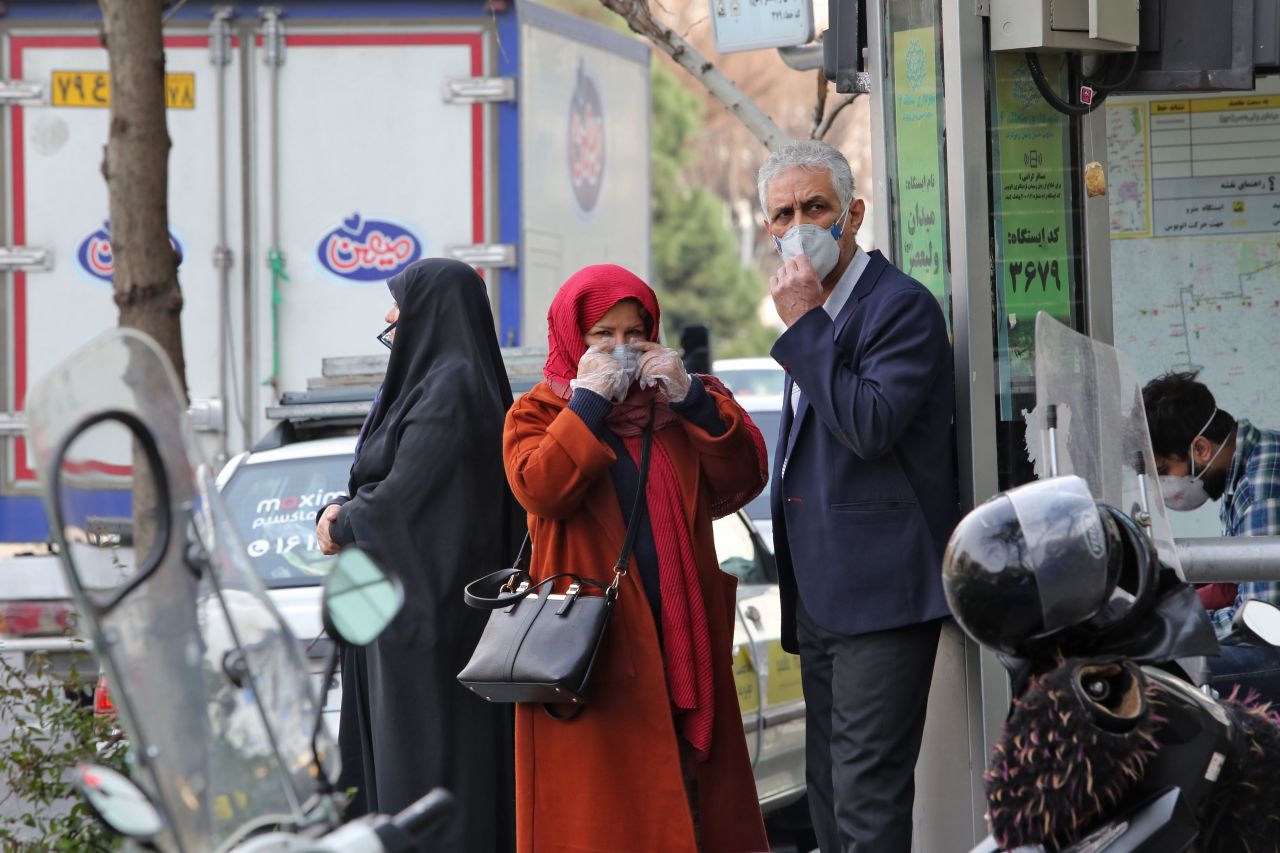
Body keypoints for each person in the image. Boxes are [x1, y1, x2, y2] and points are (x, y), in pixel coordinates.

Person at [502, 264, 770, 852]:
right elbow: (541, 489)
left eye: (635, 334)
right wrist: (589, 405)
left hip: (683, 638)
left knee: (695, 801)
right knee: (605, 819)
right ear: (574, 340)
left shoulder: (679, 404)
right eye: (603, 335)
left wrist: (692, 398)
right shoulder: (539, 413)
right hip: (594, 655)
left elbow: (744, 473)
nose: (622, 350)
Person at [758, 139, 959, 852]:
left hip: (882, 592)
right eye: (784, 213)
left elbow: (870, 425)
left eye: (817, 206)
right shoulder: (807, 309)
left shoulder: (897, 305)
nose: (801, 223)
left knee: (867, 797)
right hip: (819, 595)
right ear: (769, 229)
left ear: (854, 213)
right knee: (828, 796)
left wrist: (807, 323)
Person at [315, 258, 522, 851]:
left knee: (427, 791)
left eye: (400, 318)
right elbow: (379, 481)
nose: (392, 329)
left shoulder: (451, 390)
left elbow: (406, 500)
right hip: (406, 624)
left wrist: (344, 519)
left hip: (432, 638)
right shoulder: (430, 385)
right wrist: (341, 507)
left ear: (432, 318)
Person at [1143, 370, 1280, 699]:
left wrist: (1166, 630)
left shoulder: (1261, 489)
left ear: (1201, 448)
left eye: (1163, 471)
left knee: (1153, 679)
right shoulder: (1249, 461)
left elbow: (1265, 622)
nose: (1165, 487)